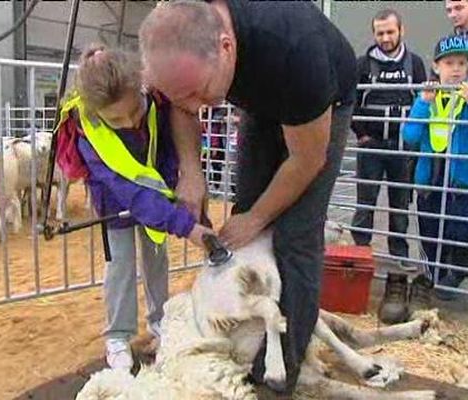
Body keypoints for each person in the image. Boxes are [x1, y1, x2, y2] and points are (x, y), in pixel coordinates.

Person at [138, 0, 357, 394]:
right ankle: (242, 340)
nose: (193, 106)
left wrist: (257, 218)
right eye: (179, 95)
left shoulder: (294, 49)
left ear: (225, 47)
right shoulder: (187, 39)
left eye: (200, 93)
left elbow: (307, 160)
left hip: (319, 98)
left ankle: (283, 370)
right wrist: (192, 171)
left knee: (295, 233)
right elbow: (182, 107)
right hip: (259, 95)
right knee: (244, 213)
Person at [55, 44, 213, 371]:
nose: (128, 122)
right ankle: (117, 335)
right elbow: (128, 190)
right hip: (115, 204)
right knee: (121, 265)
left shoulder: (156, 103)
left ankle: (161, 322)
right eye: (116, 119)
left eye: (133, 111)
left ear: (140, 86)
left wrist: (175, 190)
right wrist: (185, 225)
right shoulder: (89, 132)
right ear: (96, 112)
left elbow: (168, 151)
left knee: (157, 257)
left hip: (157, 196)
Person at [403, 35, 468, 305]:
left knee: (460, 230)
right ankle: (434, 276)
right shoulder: (427, 97)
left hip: (460, 181)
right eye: (449, 63)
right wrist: (422, 103)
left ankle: (459, 270)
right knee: (430, 231)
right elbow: (409, 135)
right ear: (436, 66)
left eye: (462, 63)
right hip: (429, 179)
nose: (455, 69)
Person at [351, 9, 427, 273]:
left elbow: (422, 102)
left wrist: (413, 139)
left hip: (402, 147)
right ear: (374, 34)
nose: (385, 37)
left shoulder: (414, 63)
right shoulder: (362, 64)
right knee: (365, 202)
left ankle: (399, 253)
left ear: (401, 31)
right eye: (380, 32)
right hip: (371, 146)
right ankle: (360, 252)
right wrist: (361, 134)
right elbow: (350, 102)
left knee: (400, 203)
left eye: (390, 32)